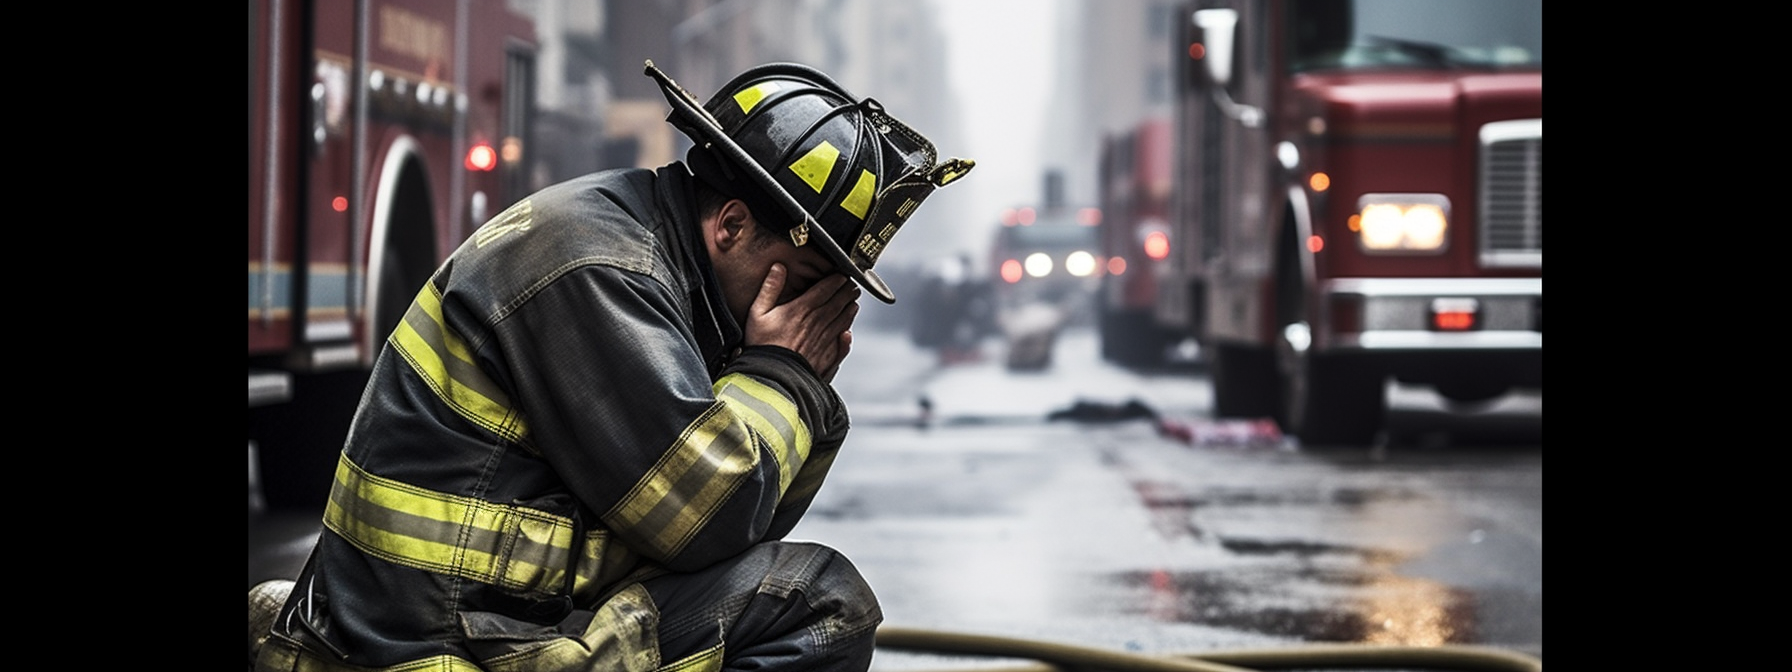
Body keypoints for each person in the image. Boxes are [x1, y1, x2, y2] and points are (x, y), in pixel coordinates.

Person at [249, 60, 972, 672]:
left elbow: (743, 530)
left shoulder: (675, 276)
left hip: (468, 617)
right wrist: (782, 373)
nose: (821, 306)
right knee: (817, 605)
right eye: (811, 274)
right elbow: (709, 520)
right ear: (731, 225)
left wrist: (789, 380)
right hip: (428, 644)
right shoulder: (600, 268)